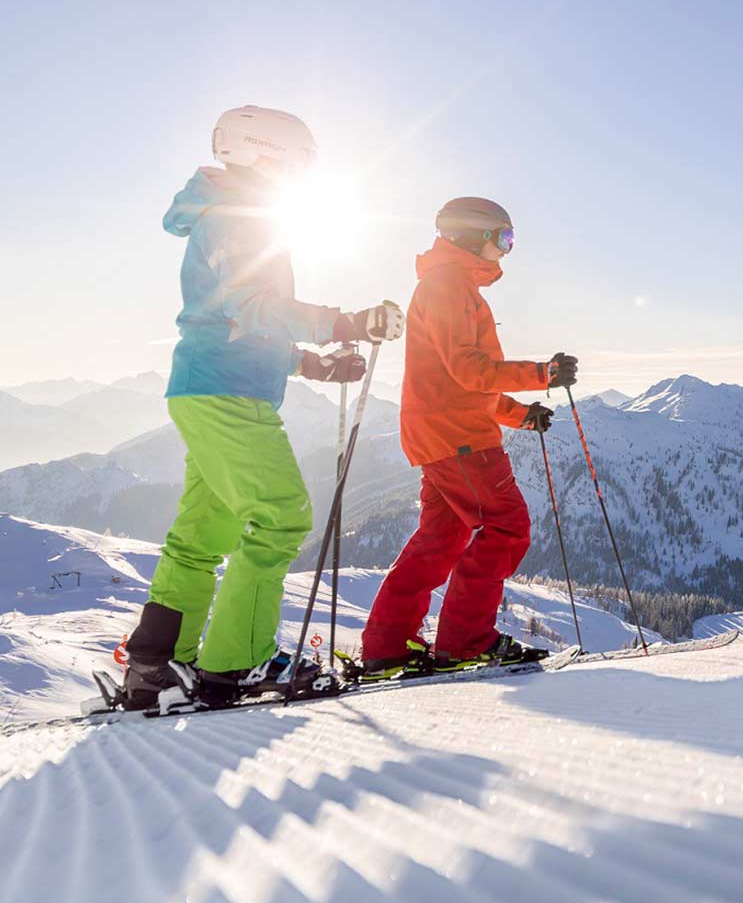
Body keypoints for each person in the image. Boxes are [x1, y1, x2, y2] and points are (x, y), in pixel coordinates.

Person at [119, 105, 405, 709]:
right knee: (280, 518)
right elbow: (252, 305)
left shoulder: (232, 211)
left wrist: (312, 364)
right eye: (298, 162)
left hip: (210, 386)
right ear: (261, 153)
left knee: (206, 532)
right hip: (227, 395)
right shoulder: (239, 217)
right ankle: (237, 665)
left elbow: (238, 320)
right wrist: (343, 323)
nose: (302, 175)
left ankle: (156, 664)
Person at [357, 197, 578, 678]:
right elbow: (467, 370)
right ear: (471, 234)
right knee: (508, 527)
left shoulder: (450, 286)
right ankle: (464, 641)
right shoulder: (448, 285)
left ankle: (387, 646)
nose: (508, 250)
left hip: (444, 431)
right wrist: (544, 372)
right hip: (460, 439)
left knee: (441, 538)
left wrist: (521, 416)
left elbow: (458, 383)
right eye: (504, 238)